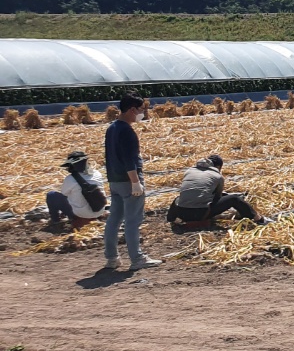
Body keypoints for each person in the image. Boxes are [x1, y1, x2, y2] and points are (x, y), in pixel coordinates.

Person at [103, 93, 160, 271]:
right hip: (128, 181)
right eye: (141, 110)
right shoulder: (127, 131)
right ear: (132, 110)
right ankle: (137, 259)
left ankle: (112, 258)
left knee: (114, 219)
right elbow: (129, 159)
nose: (143, 113)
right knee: (132, 221)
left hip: (115, 180)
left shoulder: (112, 128)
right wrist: (135, 182)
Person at [166, 155, 265, 225]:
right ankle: (258, 219)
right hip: (200, 214)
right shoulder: (217, 176)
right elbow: (217, 197)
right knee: (234, 199)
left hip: (181, 213)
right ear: (218, 167)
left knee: (178, 198)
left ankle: (170, 219)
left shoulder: (189, 171)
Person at [45, 151, 107, 231]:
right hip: (99, 210)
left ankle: (55, 221)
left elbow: (64, 194)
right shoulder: (97, 174)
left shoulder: (70, 179)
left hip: (81, 214)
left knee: (52, 195)